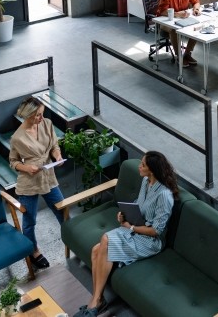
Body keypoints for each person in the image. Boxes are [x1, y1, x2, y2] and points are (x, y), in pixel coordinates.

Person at [72, 151, 178, 317]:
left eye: (142, 165)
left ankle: (94, 303)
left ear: (152, 170)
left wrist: (130, 228)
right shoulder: (145, 182)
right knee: (95, 251)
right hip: (133, 228)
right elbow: (137, 205)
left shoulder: (164, 195)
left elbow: (156, 231)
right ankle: (98, 300)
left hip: (149, 241)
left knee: (105, 238)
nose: (139, 166)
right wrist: (123, 214)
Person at [9, 96, 65, 270]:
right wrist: (26, 168)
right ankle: (33, 251)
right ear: (27, 115)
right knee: (30, 220)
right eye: (36, 116)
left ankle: (74, 241)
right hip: (29, 181)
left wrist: (57, 155)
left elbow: (54, 144)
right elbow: (13, 161)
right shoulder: (17, 138)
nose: (40, 118)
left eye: (41, 114)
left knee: (62, 211)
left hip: (48, 175)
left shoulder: (46, 123)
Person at [157, 0, 201, 67]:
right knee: (174, 30)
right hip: (164, 21)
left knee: (197, 27)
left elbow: (196, 1)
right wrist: (177, 14)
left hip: (181, 19)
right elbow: (162, 11)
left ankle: (187, 54)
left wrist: (196, 9)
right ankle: (179, 56)